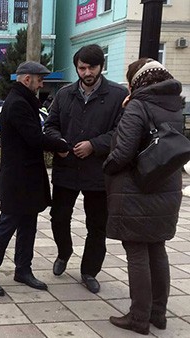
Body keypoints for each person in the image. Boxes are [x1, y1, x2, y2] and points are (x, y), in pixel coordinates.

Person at [103, 59, 183, 335]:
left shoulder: (138, 105)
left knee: (137, 252)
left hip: (137, 192)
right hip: (166, 189)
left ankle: (138, 317)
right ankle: (158, 314)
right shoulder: (174, 105)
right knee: (157, 250)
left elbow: (123, 152)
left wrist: (107, 166)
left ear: (136, 81)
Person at [0, 61, 69, 296]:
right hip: (17, 178)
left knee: (29, 225)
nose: (42, 84)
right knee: (7, 225)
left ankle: (23, 269)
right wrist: (60, 145)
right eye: (39, 80)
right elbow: (33, 137)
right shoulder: (18, 103)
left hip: (29, 177)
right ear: (27, 79)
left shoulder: (25, 100)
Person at [43, 44, 128, 293]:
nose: (87, 72)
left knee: (97, 225)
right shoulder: (64, 94)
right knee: (58, 218)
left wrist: (94, 145)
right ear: (76, 68)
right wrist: (58, 144)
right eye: (82, 67)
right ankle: (64, 252)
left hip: (98, 172)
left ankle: (89, 271)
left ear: (101, 67)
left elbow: (121, 132)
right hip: (66, 168)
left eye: (92, 67)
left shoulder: (116, 95)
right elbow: (50, 125)